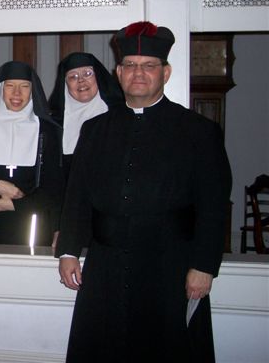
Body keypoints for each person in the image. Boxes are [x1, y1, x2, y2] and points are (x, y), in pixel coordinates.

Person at [56, 22, 232, 362]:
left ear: (165, 72)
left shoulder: (199, 131)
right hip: (106, 264)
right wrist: (68, 252)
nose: (139, 73)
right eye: (131, 66)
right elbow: (77, 195)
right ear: (119, 72)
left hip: (170, 267)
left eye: (148, 66)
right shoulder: (94, 129)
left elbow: (213, 205)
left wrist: (204, 266)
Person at [0, 61, 66, 246]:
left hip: (30, 224)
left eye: (24, 87)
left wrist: (14, 204)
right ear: (1, 89)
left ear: (32, 91)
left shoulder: (46, 130)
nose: (17, 93)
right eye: (10, 86)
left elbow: (53, 188)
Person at [48, 52, 123, 180]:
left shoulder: (120, 117)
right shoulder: (54, 125)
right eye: (73, 77)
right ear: (65, 84)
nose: (81, 81)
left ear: (98, 77)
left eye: (88, 74)